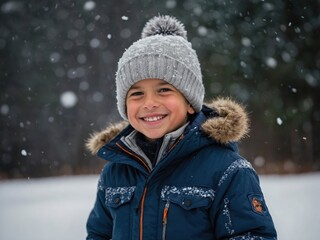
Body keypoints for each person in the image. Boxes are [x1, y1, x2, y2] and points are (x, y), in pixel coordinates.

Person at [85, 15, 277, 240]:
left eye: (163, 90)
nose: (149, 103)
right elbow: (98, 235)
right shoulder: (115, 173)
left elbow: (251, 235)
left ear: (189, 102)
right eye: (137, 94)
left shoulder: (228, 171)